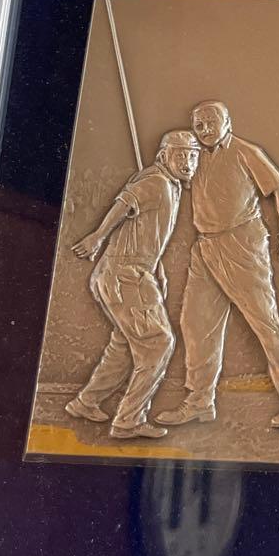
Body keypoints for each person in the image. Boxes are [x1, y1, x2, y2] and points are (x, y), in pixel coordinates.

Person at [156, 100, 279, 429]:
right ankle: (200, 401)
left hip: (242, 244)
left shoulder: (245, 152)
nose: (204, 130)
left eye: (210, 122)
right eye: (198, 125)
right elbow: (174, 170)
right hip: (205, 247)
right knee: (195, 323)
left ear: (227, 123)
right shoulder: (195, 155)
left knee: (265, 322)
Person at [66, 130, 201, 439]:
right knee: (158, 343)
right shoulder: (156, 182)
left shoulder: (171, 186)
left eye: (193, 156)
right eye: (181, 155)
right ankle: (129, 420)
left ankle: (86, 402)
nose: (188, 161)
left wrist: (158, 270)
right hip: (126, 276)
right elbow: (124, 203)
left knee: (125, 343)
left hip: (128, 274)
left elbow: (147, 235)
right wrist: (96, 237)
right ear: (164, 156)